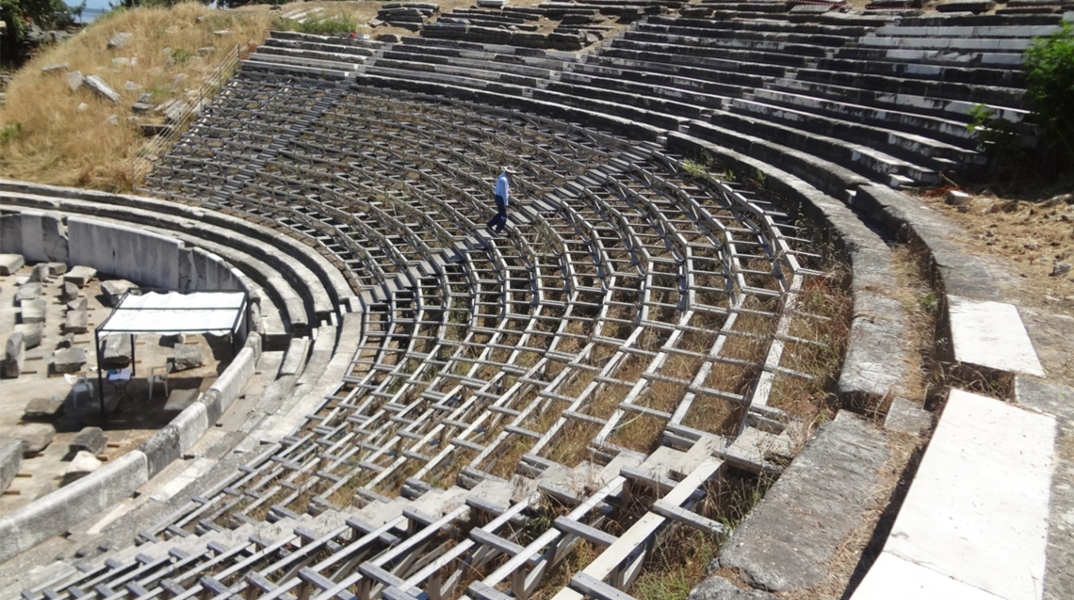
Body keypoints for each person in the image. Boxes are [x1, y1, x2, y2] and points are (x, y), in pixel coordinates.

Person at [487, 166, 517, 235]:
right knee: (504, 215)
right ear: (508, 172)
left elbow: (503, 188)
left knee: (501, 213)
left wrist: (508, 190)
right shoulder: (504, 179)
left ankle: (490, 223)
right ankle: (498, 229)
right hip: (501, 198)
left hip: (498, 197)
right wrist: (506, 203)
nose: (512, 175)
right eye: (511, 173)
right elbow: (504, 193)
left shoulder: (502, 177)